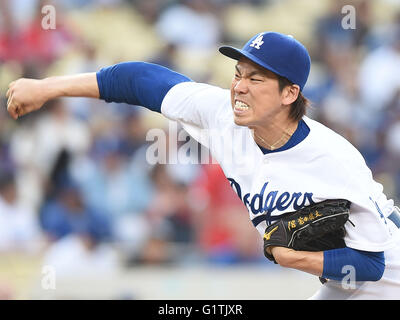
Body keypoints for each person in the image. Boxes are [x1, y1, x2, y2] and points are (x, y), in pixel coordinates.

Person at [6, 31, 400, 299]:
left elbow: (369, 264)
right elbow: (139, 80)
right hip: (338, 284)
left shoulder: (335, 161)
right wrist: (48, 87)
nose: (239, 86)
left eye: (257, 79)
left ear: (289, 93)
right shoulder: (221, 115)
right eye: (238, 74)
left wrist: (292, 257)